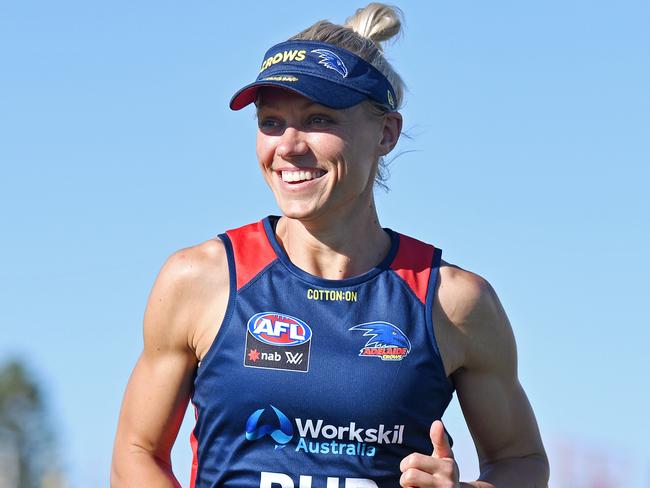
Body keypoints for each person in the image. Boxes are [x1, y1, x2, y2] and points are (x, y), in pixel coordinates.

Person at [111, 3, 549, 487]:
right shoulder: (201, 279)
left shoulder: (453, 301)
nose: (289, 146)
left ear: (386, 133)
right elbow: (136, 453)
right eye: (271, 121)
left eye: (319, 119)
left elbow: (521, 462)